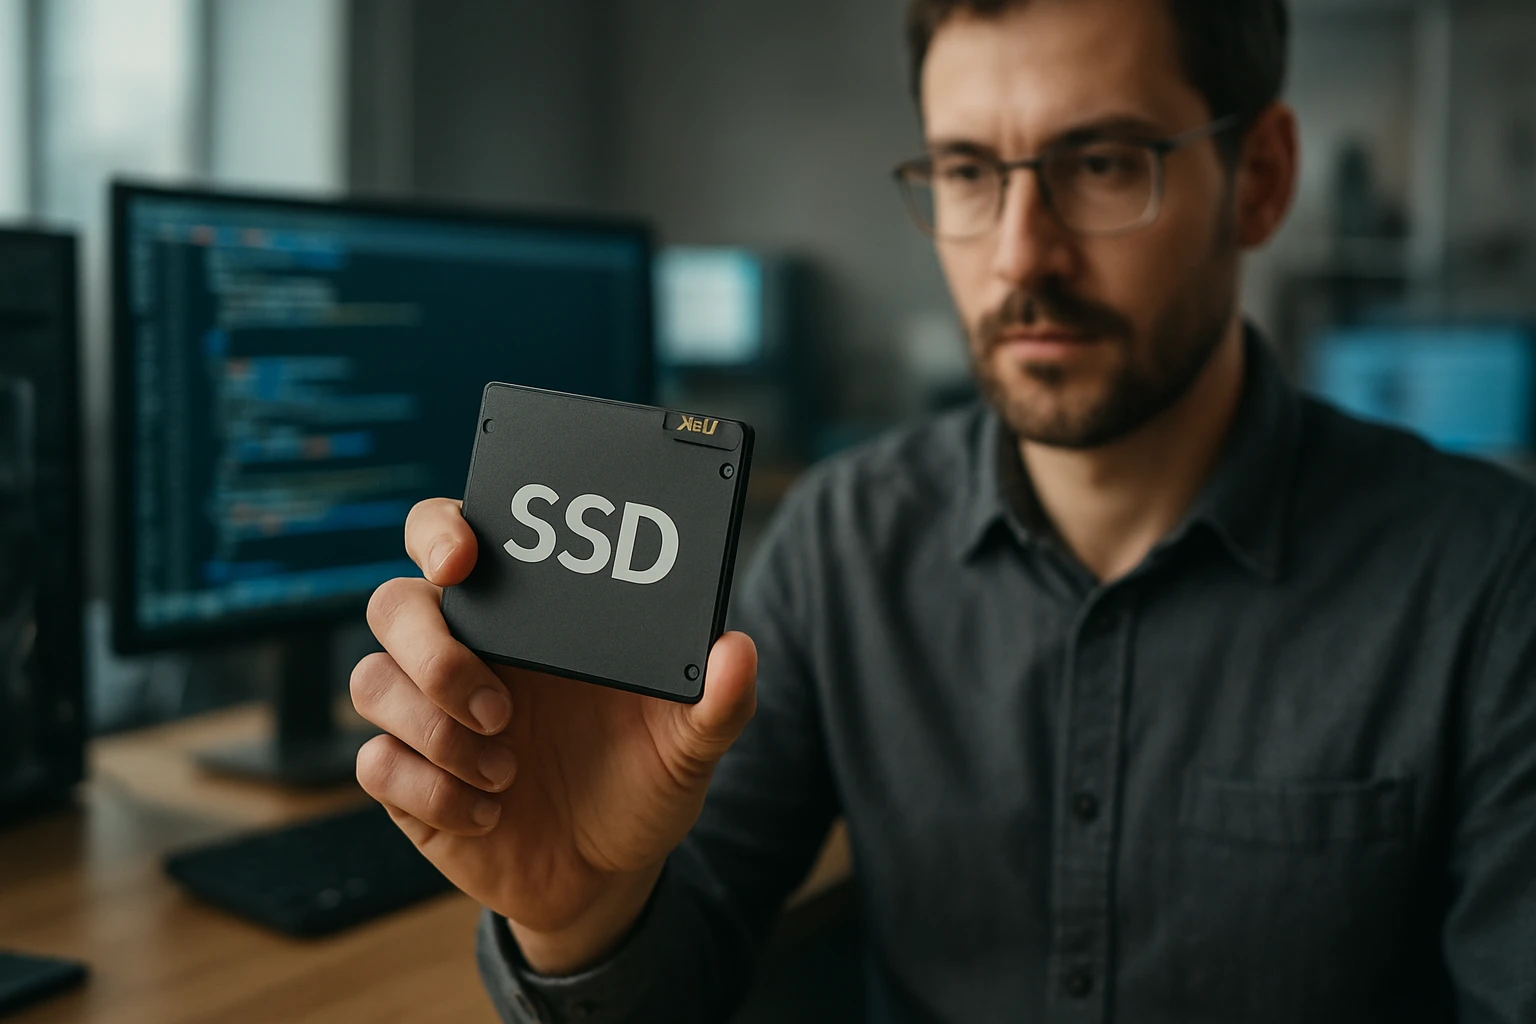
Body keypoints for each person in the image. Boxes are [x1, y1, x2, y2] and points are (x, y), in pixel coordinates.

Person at [347, 0, 1536, 1020]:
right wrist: (580, 914)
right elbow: (685, 970)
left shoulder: (1488, 586)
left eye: (1102, 163)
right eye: (967, 172)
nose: (1020, 255)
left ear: (1260, 179)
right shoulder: (842, 545)